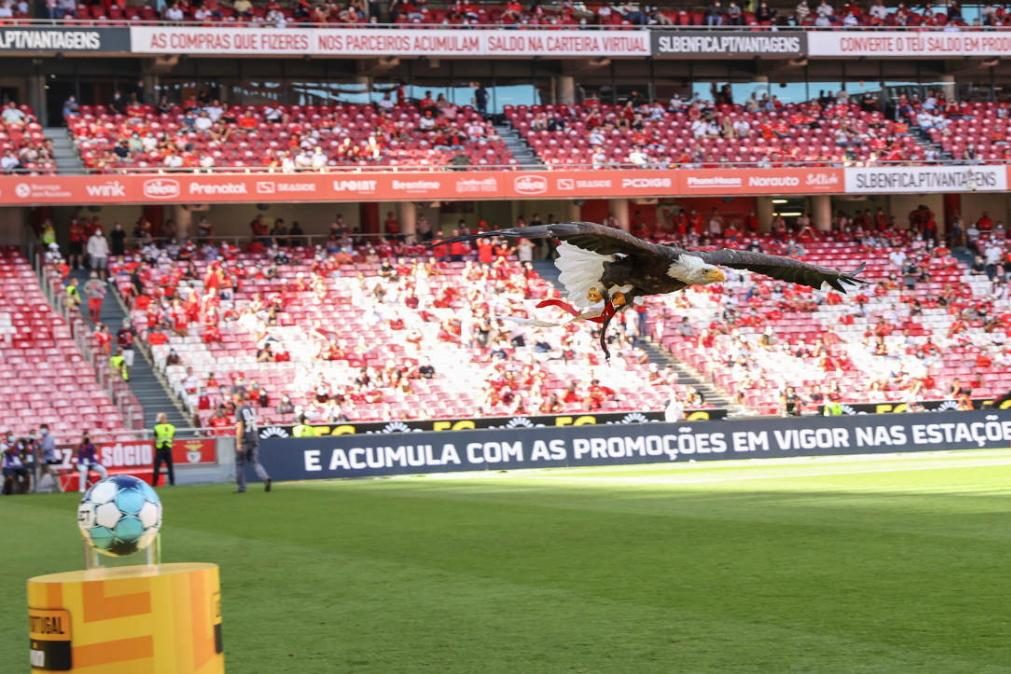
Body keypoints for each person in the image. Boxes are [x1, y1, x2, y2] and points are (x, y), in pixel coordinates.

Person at [234, 392, 271, 493]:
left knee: (239, 463)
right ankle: (265, 478)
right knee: (255, 462)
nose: (233, 402)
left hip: (245, 439)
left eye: (235, 400)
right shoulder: (250, 409)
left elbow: (240, 427)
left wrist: (238, 442)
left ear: (239, 400)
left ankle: (241, 487)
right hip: (254, 438)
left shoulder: (239, 410)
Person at [35, 424, 62, 492]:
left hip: (50, 459)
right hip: (44, 459)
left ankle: (59, 488)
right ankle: (35, 489)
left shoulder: (50, 437)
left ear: (47, 429)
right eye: (41, 428)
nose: (42, 430)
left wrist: (39, 450)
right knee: (39, 474)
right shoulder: (43, 438)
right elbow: (41, 447)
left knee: (53, 474)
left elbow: (46, 448)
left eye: (43, 428)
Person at [152, 413, 176, 487]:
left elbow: (155, 439)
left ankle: (154, 484)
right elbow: (172, 438)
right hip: (168, 448)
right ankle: (172, 483)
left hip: (159, 448)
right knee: (170, 467)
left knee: (157, 467)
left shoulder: (157, 427)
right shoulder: (172, 427)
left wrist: (154, 447)